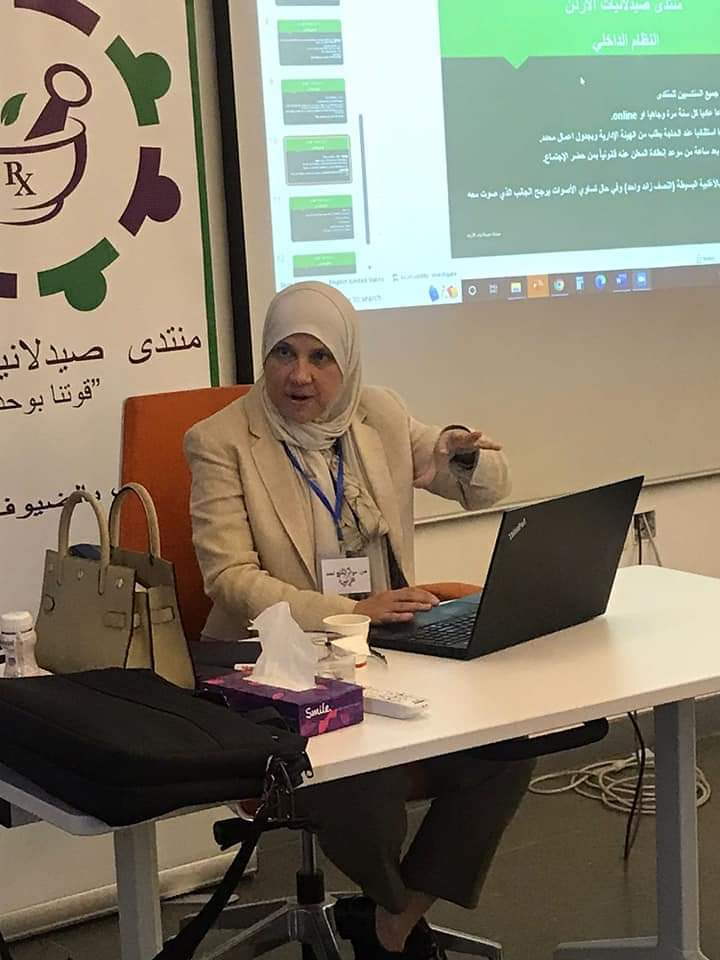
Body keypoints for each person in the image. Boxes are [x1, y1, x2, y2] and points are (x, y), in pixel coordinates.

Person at [185, 281, 533, 960]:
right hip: (277, 667)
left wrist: (462, 453)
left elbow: (482, 486)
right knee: (364, 781)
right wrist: (347, 611)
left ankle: (392, 920)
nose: (300, 375)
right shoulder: (220, 440)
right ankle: (394, 915)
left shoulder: (378, 414)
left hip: (388, 650)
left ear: (346, 362)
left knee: (507, 746)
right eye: (284, 353)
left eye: (320, 357)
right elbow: (228, 578)